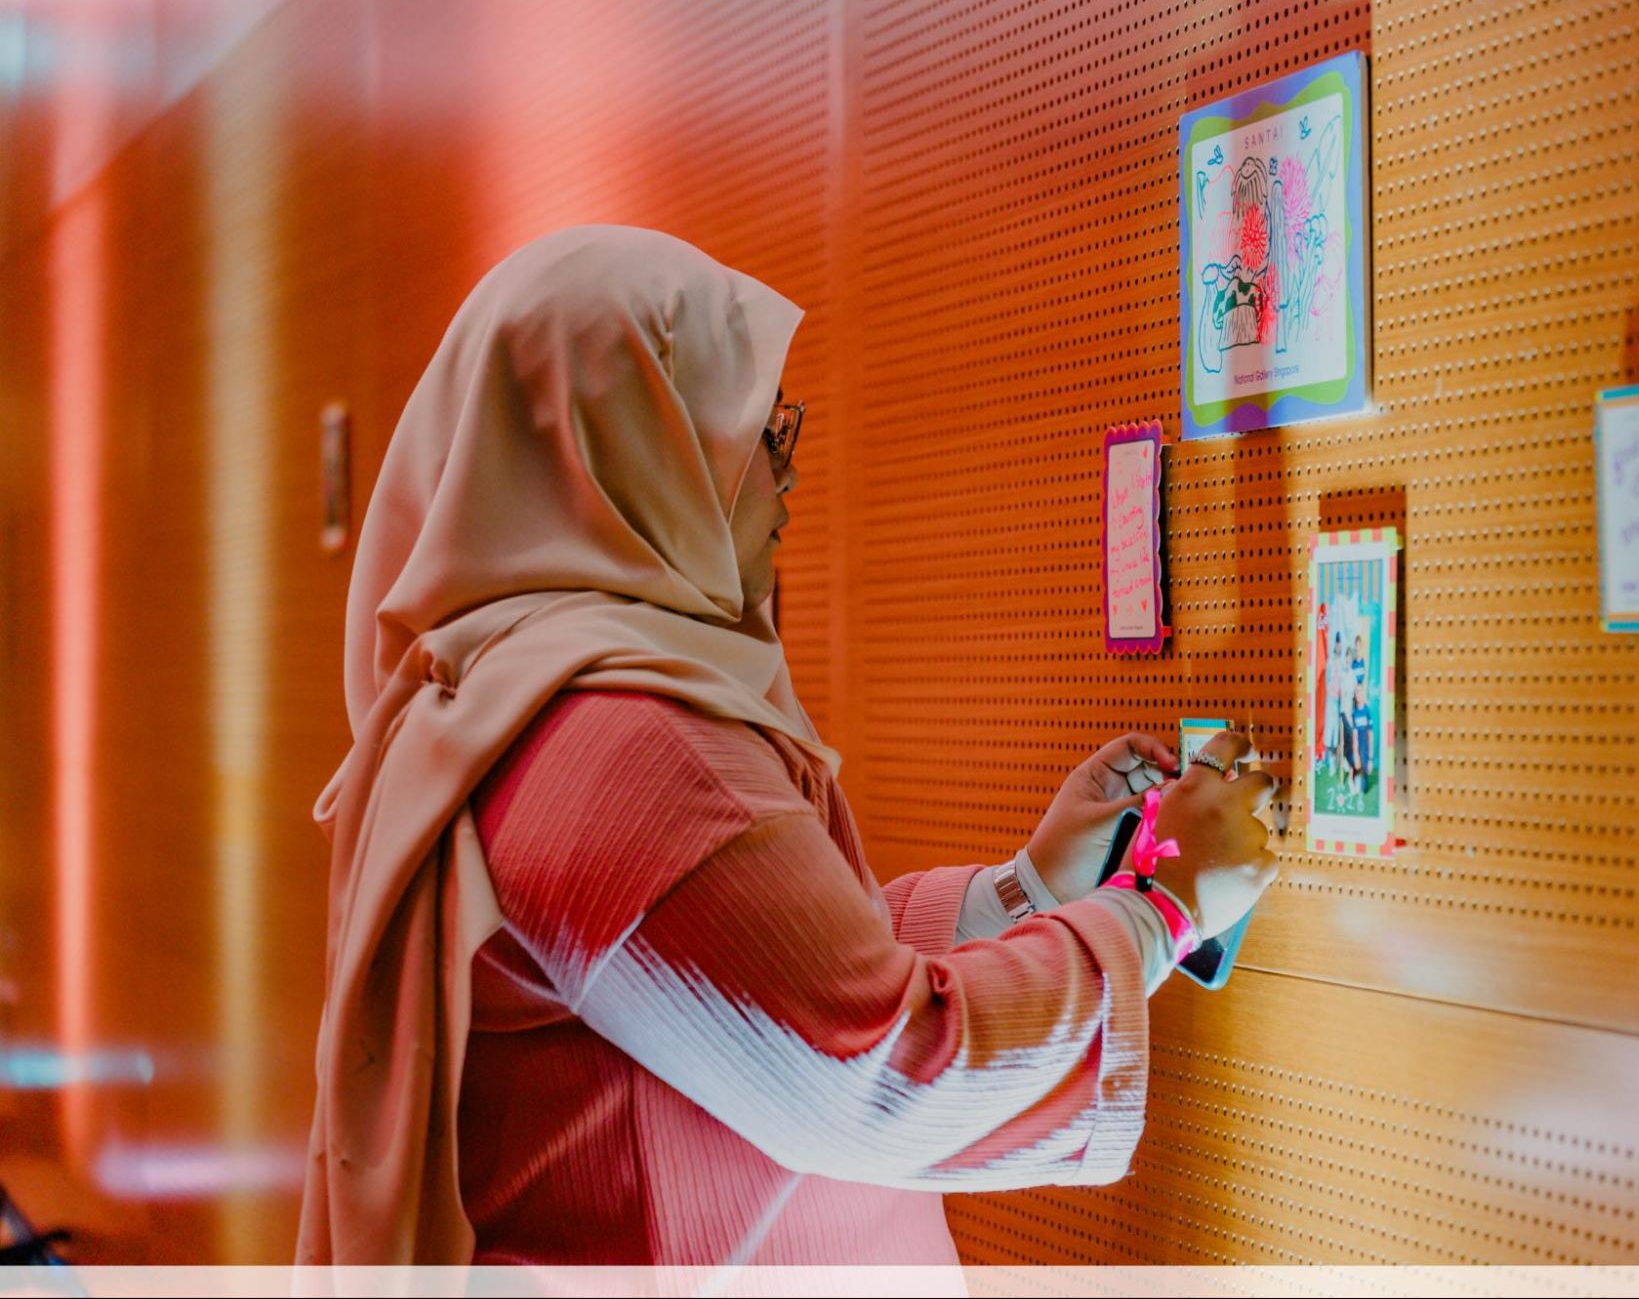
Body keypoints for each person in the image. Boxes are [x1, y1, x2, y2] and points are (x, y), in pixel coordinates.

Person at [296, 225, 1281, 1268]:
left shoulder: (521, 698)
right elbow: (878, 1077)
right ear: (637, 450)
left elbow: (765, 969)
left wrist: (1025, 890)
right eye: (759, 436)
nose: (788, 477)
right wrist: (1159, 906)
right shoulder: (616, 743)